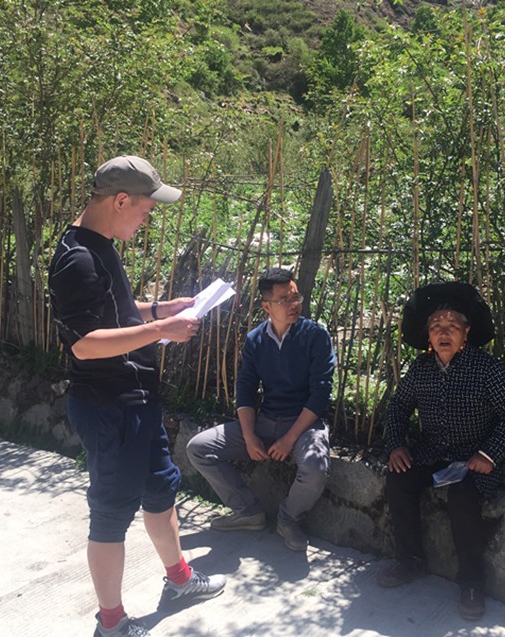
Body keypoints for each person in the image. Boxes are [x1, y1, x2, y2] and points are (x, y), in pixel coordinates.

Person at [48, 155, 226, 637]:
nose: (147, 219)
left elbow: (114, 312)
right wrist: (161, 330)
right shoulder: (77, 260)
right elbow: (85, 344)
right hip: (109, 408)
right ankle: (111, 623)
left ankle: (179, 580)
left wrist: (158, 310)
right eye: (146, 209)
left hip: (137, 401)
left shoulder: (100, 246)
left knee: (160, 490)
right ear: (121, 200)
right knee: (111, 514)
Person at [377, 281, 505, 621]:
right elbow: (398, 407)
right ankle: (410, 560)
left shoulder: (486, 369)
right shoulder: (421, 369)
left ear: (466, 332)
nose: (443, 333)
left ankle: (471, 582)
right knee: (399, 479)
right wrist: (396, 445)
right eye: (436, 326)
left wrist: (489, 454)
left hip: (475, 459)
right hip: (431, 452)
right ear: (428, 334)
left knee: (462, 497)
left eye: (452, 326)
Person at [186, 267, 335, 552]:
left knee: (315, 468)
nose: (294, 304)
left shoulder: (315, 336)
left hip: (305, 426)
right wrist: (250, 436)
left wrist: (289, 439)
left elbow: (320, 395)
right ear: (266, 306)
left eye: (296, 297)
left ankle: (288, 519)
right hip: (266, 421)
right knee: (198, 448)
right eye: (285, 300)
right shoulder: (256, 339)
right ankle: (248, 511)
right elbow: (245, 389)